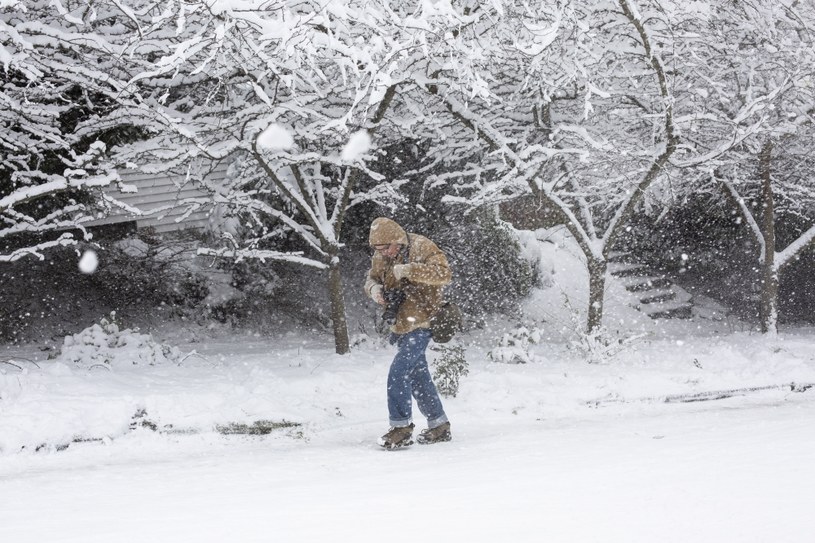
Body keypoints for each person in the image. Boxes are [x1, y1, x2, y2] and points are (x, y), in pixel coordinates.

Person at [364, 217, 453, 449]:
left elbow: (444, 274)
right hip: (400, 324)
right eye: (378, 249)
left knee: (399, 371)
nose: (383, 253)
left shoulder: (422, 246)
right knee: (418, 376)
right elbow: (371, 278)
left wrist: (410, 271)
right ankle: (439, 425)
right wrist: (375, 290)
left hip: (424, 320)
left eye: (385, 248)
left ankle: (401, 428)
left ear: (397, 241)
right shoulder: (381, 255)